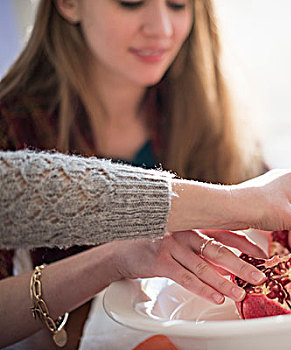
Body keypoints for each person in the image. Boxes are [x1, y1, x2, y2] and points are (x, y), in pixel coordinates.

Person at [0, 0, 263, 347]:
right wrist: (111, 261)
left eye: (178, 5)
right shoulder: (11, 129)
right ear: (68, 4)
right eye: (130, 2)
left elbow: (264, 224)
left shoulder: (206, 109)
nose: (163, 29)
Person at [0, 149, 291, 347]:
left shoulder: (214, 114)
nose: (161, 34)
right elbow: (11, 192)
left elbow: (273, 211)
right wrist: (231, 202)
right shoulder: (11, 122)